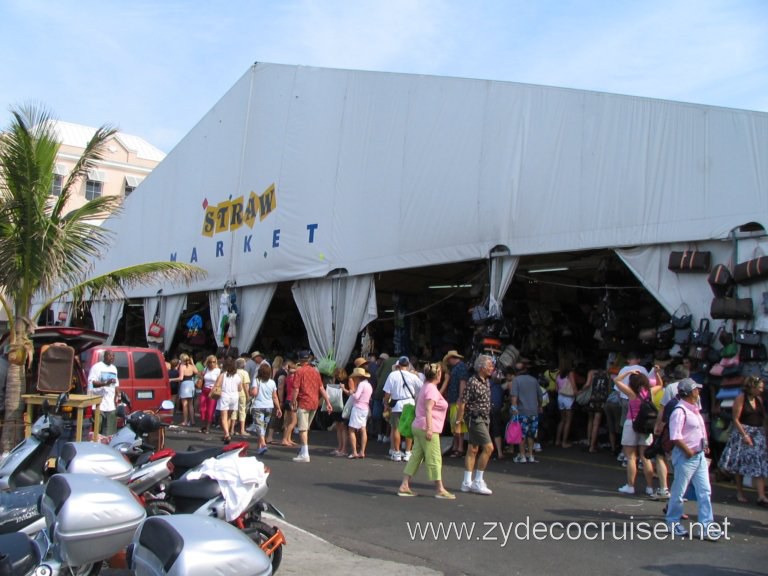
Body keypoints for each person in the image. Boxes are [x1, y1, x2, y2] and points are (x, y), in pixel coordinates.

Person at [665, 379, 721, 539]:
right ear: (689, 392)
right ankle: (672, 522)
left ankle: (706, 526)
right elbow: (675, 436)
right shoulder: (680, 411)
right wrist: (688, 451)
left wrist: (704, 445)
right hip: (686, 456)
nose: (698, 392)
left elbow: (700, 431)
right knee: (679, 491)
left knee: (704, 491)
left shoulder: (694, 409)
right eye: (696, 390)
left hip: (699, 455)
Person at [398, 362, 454, 499]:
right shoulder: (431, 389)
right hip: (428, 427)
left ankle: (405, 484)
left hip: (418, 425)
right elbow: (429, 409)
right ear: (438, 374)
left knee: (416, 456)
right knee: (435, 457)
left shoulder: (426, 387)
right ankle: (439, 489)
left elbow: (419, 401)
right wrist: (429, 428)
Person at [718, 376, 768, 506]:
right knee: (738, 464)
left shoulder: (759, 399)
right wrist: (744, 435)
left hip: (758, 433)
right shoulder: (741, 398)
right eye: (759, 387)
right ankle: (740, 492)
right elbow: (735, 419)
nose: (761, 390)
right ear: (752, 387)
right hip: (743, 432)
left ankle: (761, 495)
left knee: (759, 463)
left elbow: (763, 418)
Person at [614, 368, 663, 496]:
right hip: (645, 426)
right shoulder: (650, 393)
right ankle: (649, 487)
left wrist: (629, 373)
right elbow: (660, 384)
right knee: (645, 458)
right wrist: (657, 373)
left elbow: (617, 380)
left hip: (632, 424)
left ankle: (630, 486)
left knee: (630, 457)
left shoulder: (631, 393)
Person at [456, 354, 495, 495]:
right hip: (475, 418)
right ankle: (478, 481)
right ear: (482, 367)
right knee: (489, 448)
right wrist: (459, 420)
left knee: (473, 449)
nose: (492, 368)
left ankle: (467, 482)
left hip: (484, 418)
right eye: (489, 365)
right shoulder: (473, 381)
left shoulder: (486, 381)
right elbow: (463, 401)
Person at [290, 350, 333, 463]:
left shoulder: (299, 372)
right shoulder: (316, 371)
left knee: (302, 429)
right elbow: (321, 388)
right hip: (314, 402)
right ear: (308, 359)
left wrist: (293, 401)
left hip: (304, 401)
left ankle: (305, 453)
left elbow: (296, 388)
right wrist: (328, 402)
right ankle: (303, 451)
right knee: (306, 428)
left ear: (299, 360)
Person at [383, 356, 422, 462]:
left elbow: (387, 393)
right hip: (409, 402)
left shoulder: (392, 375)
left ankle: (396, 452)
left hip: (396, 404)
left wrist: (386, 404)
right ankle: (408, 452)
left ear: (398, 365)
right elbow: (421, 388)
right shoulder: (413, 376)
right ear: (408, 365)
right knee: (408, 429)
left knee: (396, 429)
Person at [510, 364, 542, 463]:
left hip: (522, 411)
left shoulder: (516, 380)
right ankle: (531, 456)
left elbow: (514, 397)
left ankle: (522, 456)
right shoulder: (534, 380)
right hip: (533, 411)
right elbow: (540, 395)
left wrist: (514, 409)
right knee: (531, 435)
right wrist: (539, 406)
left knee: (522, 435)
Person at [440, 350, 469, 458]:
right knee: (455, 424)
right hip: (454, 400)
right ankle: (456, 446)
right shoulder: (457, 367)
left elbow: (463, 383)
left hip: (457, 400)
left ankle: (459, 448)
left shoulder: (460, 367)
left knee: (458, 424)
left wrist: (460, 398)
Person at [250, 362, 282, 455]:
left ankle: (263, 444)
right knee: (264, 426)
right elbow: (275, 396)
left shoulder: (256, 380)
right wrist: (279, 408)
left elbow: (255, 393)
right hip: (269, 406)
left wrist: (251, 392)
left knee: (259, 427)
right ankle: (259, 447)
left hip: (258, 406)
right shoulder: (272, 382)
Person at [87, 349, 120, 435]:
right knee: (97, 432)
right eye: (110, 355)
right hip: (99, 405)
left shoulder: (114, 368)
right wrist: (105, 383)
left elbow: (116, 385)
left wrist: (118, 397)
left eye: (113, 356)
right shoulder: (97, 367)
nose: (112, 357)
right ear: (104, 356)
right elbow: (92, 383)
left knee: (110, 433)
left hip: (110, 406)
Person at [345, 366, 372, 459]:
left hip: (358, 407)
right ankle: (362, 451)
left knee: (351, 429)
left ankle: (354, 452)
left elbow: (356, 397)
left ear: (357, 377)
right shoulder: (368, 385)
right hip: (365, 408)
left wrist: (352, 392)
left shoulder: (361, 385)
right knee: (363, 429)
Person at [215, 355, 242, 443]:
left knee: (224, 416)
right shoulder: (237, 377)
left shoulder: (223, 375)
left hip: (224, 396)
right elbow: (240, 389)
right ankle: (227, 433)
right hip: (234, 397)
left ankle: (226, 434)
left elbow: (217, 385)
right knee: (229, 416)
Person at [554, 363, 576, 448]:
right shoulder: (570, 374)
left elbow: (556, 389)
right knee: (568, 421)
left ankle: (557, 441)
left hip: (560, 397)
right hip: (568, 399)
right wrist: (578, 393)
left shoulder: (558, 375)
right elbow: (574, 387)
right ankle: (564, 442)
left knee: (562, 420)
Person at [198, 355, 221, 434]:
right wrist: (201, 375)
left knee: (210, 410)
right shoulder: (206, 369)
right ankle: (203, 426)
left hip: (213, 391)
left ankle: (208, 427)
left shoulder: (218, 371)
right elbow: (201, 378)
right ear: (208, 362)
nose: (212, 364)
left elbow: (218, 382)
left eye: (214, 362)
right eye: (210, 362)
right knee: (202, 408)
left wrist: (213, 390)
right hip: (204, 390)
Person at [330, 367, 350, 456]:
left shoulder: (347, 380)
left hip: (344, 404)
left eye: (338, 374)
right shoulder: (337, 380)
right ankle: (340, 447)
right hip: (337, 404)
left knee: (343, 427)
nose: (337, 376)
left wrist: (343, 388)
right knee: (338, 426)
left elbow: (350, 393)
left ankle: (344, 449)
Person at [177, 353, 199, 427]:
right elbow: (196, 372)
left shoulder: (182, 366)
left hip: (185, 384)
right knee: (190, 404)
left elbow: (180, 378)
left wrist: (171, 379)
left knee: (184, 404)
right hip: (191, 384)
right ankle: (192, 421)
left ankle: (185, 421)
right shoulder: (191, 366)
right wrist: (192, 363)